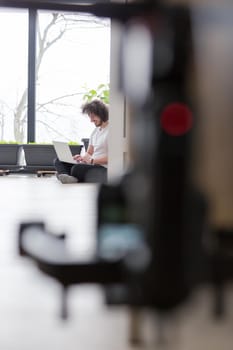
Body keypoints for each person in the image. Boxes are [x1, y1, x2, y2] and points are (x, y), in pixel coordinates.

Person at [54, 99, 109, 184]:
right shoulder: (95, 132)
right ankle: (66, 176)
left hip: (104, 169)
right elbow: (89, 153)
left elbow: (114, 158)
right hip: (92, 165)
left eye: (93, 116)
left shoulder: (112, 131)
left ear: (101, 114)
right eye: (89, 116)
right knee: (59, 160)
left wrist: (92, 161)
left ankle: (64, 174)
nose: (91, 120)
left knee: (77, 169)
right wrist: (82, 158)